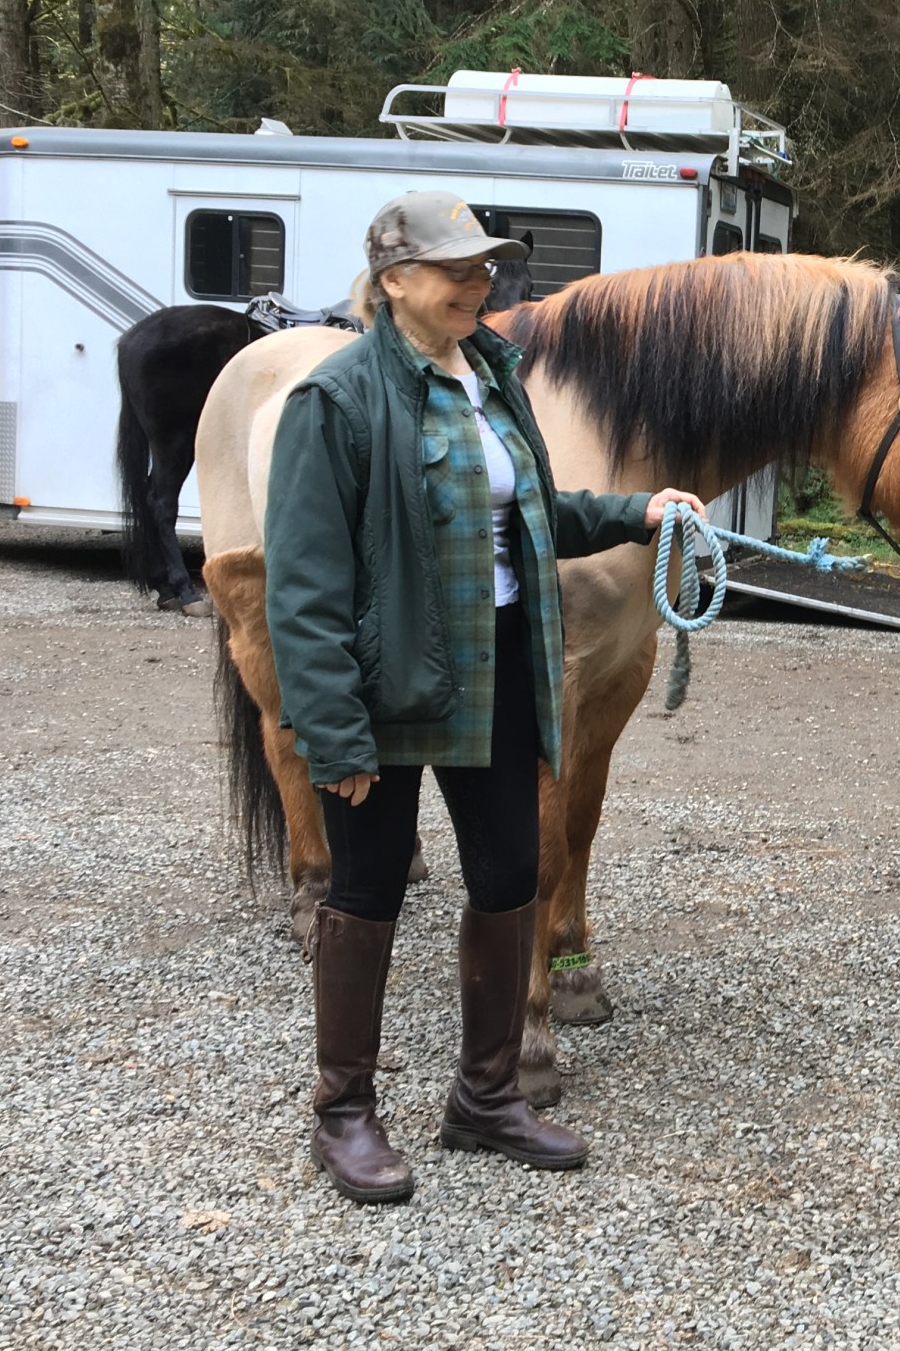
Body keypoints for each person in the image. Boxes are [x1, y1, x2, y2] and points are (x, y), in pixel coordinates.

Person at [265, 191, 707, 1204]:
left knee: (510, 875)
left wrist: (635, 510)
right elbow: (302, 584)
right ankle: (344, 1113)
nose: (481, 283)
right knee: (367, 889)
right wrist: (333, 729)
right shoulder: (336, 400)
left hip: (502, 662)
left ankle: (487, 1096)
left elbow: (536, 512)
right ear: (394, 282)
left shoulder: (494, 377)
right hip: (387, 680)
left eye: (485, 268)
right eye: (456, 268)